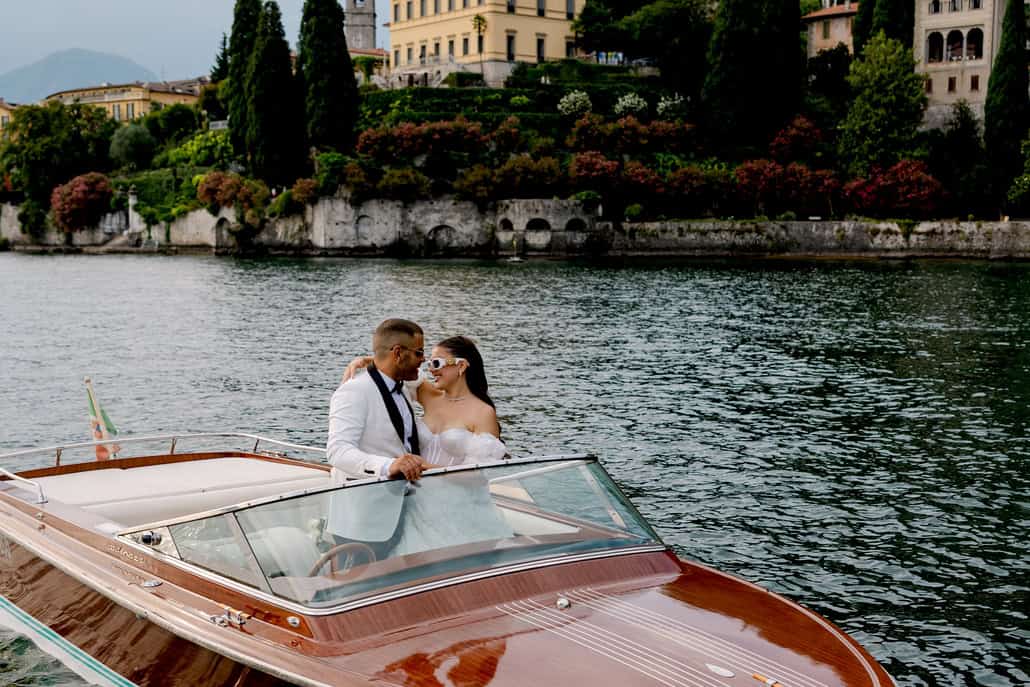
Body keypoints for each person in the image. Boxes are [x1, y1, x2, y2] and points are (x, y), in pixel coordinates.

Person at [339, 334, 512, 556]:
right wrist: (369, 361)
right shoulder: (431, 396)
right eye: (429, 363)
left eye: (437, 363)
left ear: (461, 366)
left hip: (459, 509)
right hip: (417, 504)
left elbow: (477, 475)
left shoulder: (483, 412)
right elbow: (398, 372)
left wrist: (421, 467)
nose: (431, 369)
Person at [325, 318, 433, 545]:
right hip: (363, 522)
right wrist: (388, 466)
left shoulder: (404, 385)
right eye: (419, 352)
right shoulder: (354, 391)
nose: (423, 360)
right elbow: (337, 451)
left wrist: (367, 359)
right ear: (397, 353)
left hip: (407, 510)